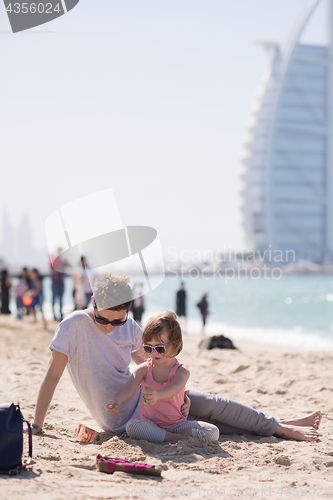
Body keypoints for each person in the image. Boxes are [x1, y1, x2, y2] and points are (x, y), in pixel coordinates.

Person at [31, 272, 321, 442]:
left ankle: (281, 425)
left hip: (153, 400)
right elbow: (52, 376)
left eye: (117, 322)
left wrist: (177, 394)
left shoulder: (130, 328)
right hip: (126, 419)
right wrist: (37, 426)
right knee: (213, 425)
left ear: (128, 312)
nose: (109, 327)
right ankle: (282, 427)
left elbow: (150, 365)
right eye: (103, 319)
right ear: (92, 303)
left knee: (210, 405)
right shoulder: (72, 327)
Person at [106, 311, 219, 443]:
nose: (154, 353)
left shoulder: (181, 372)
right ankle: (173, 439)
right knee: (132, 426)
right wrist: (115, 401)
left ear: (175, 345)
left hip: (177, 426)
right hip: (151, 424)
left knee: (213, 432)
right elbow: (128, 388)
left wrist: (157, 395)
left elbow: (174, 388)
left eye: (160, 348)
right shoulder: (143, 369)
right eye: (148, 348)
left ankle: (170, 436)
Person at [50, 247, 69, 321]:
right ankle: (54, 315)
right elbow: (53, 270)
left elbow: (68, 266)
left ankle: (60, 314)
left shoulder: (63, 261)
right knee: (54, 299)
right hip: (55, 283)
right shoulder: (53, 260)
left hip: (61, 283)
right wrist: (61, 268)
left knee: (61, 300)